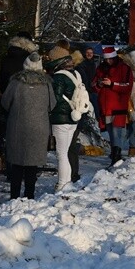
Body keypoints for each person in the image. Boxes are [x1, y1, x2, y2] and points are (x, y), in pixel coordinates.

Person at [2, 52, 55, 200]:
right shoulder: (46, 83)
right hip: (39, 128)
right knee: (32, 165)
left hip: (17, 127)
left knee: (17, 163)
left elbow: (5, 102)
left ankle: (14, 196)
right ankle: (29, 195)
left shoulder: (15, 82)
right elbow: (53, 105)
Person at [47, 44, 84, 189]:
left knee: (61, 154)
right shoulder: (76, 74)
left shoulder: (59, 77)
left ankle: (62, 183)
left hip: (60, 119)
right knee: (67, 151)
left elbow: (55, 99)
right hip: (74, 117)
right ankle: (67, 182)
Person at [94, 46, 133, 166]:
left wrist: (112, 84)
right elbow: (94, 84)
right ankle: (115, 155)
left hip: (118, 105)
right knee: (111, 132)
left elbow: (127, 86)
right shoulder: (101, 68)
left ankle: (116, 157)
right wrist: (99, 84)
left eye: (110, 59)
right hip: (106, 106)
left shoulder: (124, 68)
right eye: (106, 60)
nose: (108, 62)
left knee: (117, 132)